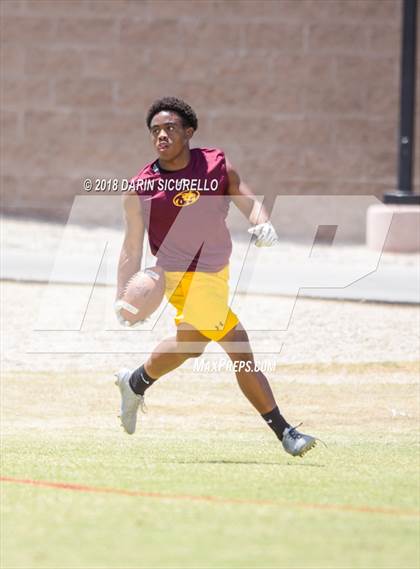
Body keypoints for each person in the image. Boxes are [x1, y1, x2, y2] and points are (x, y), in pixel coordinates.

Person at [114, 97, 318, 457]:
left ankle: (135, 382)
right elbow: (131, 245)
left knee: (191, 347)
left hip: (216, 271)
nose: (161, 135)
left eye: (170, 128)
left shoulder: (215, 164)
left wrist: (262, 223)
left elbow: (245, 197)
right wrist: (124, 295)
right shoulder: (142, 186)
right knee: (238, 344)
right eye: (155, 131)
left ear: (189, 132)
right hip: (177, 276)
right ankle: (285, 431)